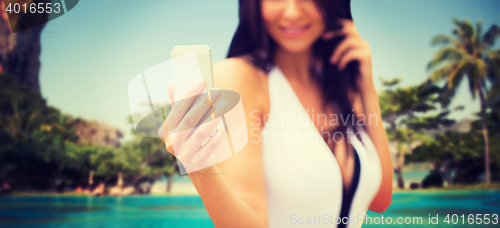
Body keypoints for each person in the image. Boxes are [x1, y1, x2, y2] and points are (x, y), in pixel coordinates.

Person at [159, 0, 393, 227]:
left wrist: (366, 87)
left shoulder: (340, 88)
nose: (291, 12)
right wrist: (198, 167)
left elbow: (378, 200)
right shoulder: (240, 78)